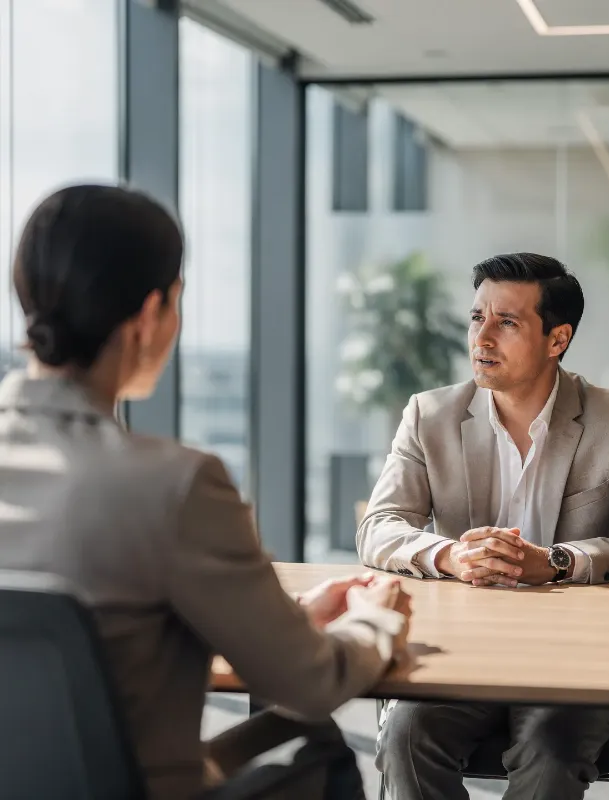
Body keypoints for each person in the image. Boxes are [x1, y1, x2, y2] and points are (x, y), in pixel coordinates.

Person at [0, 184, 412, 800]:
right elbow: (310, 682)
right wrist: (376, 623)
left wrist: (292, 619)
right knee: (320, 744)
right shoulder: (172, 484)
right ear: (148, 316)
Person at [357, 252, 609, 800]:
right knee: (404, 736)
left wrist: (556, 561)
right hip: (461, 652)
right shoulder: (429, 415)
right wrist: (450, 556)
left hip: (576, 658)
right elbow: (380, 526)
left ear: (557, 339)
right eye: (476, 318)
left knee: (553, 746)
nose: (481, 338)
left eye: (506, 322)